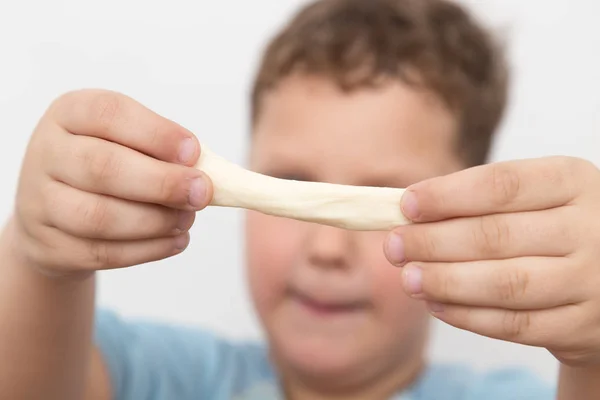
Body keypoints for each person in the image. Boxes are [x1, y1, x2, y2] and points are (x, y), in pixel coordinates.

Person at [2, 0, 600, 398]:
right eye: (289, 184)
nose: (325, 248)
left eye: (379, 202)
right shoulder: (165, 376)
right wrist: (38, 263)